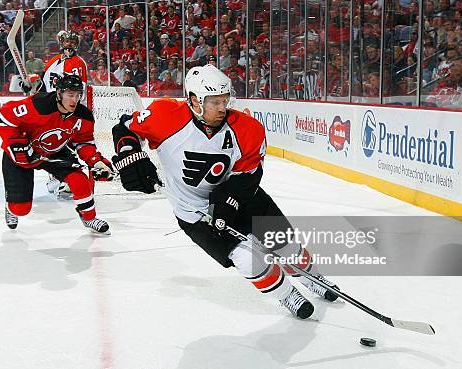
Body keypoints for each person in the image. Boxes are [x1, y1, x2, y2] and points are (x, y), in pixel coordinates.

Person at [111, 65, 339, 318]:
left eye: (225, 100)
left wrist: (228, 202)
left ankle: (311, 275)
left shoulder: (248, 129)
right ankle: (287, 295)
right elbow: (125, 127)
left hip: (244, 198)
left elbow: (250, 174)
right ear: (195, 100)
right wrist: (130, 155)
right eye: (214, 102)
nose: (222, 108)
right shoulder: (164, 115)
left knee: (287, 246)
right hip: (194, 212)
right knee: (247, 260)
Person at [0, 74, 112, 233]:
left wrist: (95, 161)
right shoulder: (39, 104)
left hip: (53, 152)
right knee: (20, 209)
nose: (74, 100)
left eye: (78, 95)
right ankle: (11, 208)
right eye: (70, 95)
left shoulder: (83, 116)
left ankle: (89, 218)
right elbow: (3, 117)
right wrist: (17, 145)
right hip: (23, 153)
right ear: (59, 93)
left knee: (79, 179)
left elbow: (83, 142)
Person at [35, 30, 91, 199]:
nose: (69, 46)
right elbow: (43, 86)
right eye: (66, 42)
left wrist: (75, 111)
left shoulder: (79, 63)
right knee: (49, 143)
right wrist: (32, 90)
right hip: (50, 110)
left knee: (65, 143)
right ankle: (56, 176)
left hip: (68, 110)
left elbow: (78, 90)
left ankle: (68, 180)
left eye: (72, 43)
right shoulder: (52, 62)